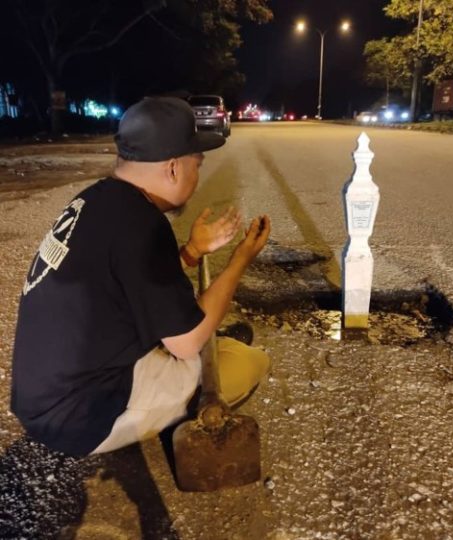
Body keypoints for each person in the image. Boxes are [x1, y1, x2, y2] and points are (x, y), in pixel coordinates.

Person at [9, 96, 272, 456]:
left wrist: (191, 252)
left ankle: (222, 343)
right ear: (174, 168)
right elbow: (187, 342)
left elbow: (127, 283)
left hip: (44, 398)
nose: (197, 176)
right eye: (198, 165)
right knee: (247, 362)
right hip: (78, 416)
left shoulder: (96, 200)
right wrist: (241, 259)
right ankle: (199, 385)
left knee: (207, 334)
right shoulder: (141, 226)